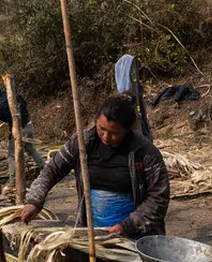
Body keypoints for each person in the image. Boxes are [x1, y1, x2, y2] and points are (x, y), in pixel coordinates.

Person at [21, 96, 170, 239]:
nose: (105, 136)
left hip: (135, 234)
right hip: (93, 232)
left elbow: (159, 197)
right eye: (102, 128)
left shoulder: (145, 152)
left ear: (127, 130)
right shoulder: (82, 143)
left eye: (114, 133)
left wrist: (128, 225)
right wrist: (34, 201)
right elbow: (51, 171)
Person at [0, 83, 45, 193]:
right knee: (30, 148)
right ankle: (45, 168)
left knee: (12, 156)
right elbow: (23, 104)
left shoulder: (0, 104)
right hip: (29, 125)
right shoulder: (10, 94)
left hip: (20, 130)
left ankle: (13, 182)